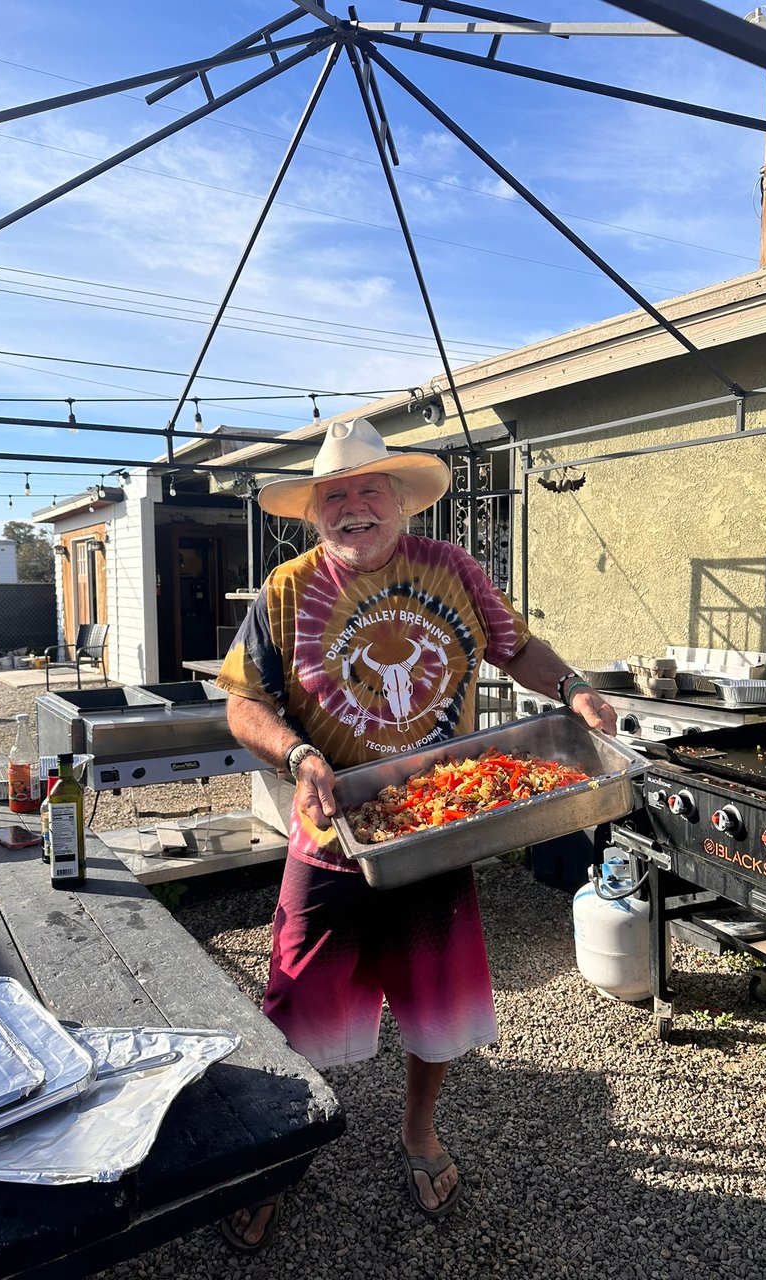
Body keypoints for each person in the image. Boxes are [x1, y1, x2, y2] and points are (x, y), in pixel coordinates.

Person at [216, 417, 616, 1252]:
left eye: (369, 490)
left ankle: (419, 1131)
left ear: (402, 502)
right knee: (295, 1001)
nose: (352, 507)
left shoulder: (453, 569)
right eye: (333, 497)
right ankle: (278, 1156)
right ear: (314, 513)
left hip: (437, 827)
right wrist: (297, 754)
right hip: (332, 829)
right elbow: (243, 702)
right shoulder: (285, 590)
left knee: (436, 999)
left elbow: (517, 648)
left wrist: (575, 689)